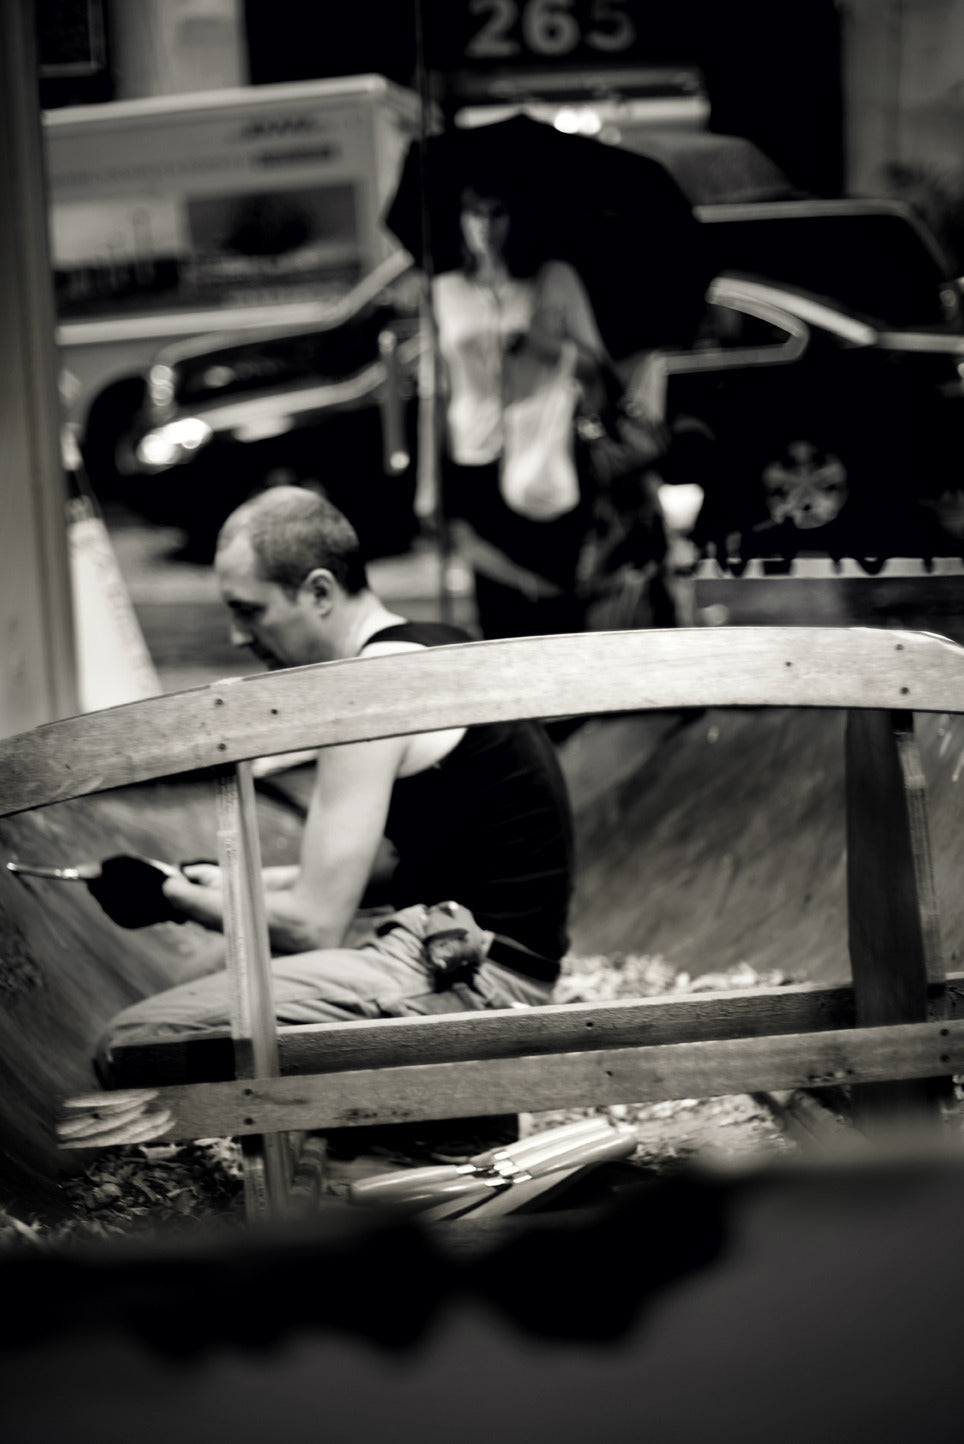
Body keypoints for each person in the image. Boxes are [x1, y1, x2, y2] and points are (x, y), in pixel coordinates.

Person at [96, 486, 574, 1125]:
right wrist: (230, 883)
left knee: (131, 1044)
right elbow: (391, 861)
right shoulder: (431, 644)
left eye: (250, 611)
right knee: (207, 968)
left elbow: (314, 923)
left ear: (320, 591)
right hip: (474, 947)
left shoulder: (366, 691)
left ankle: (420, 1129)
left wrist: (169, 897)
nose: (237, 636)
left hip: (473, 973)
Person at [431, 181, 611, 640]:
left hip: (544, 448)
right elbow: (437, 390)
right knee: (497, 603)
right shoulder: (444, 290)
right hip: (474, 452)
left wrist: (542, 344)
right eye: (474, 213)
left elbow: (595, 365)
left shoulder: (549, 280)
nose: (485, 227)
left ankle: (564, 683)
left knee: (558, 596)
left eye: (497, 213)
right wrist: (428, 482)